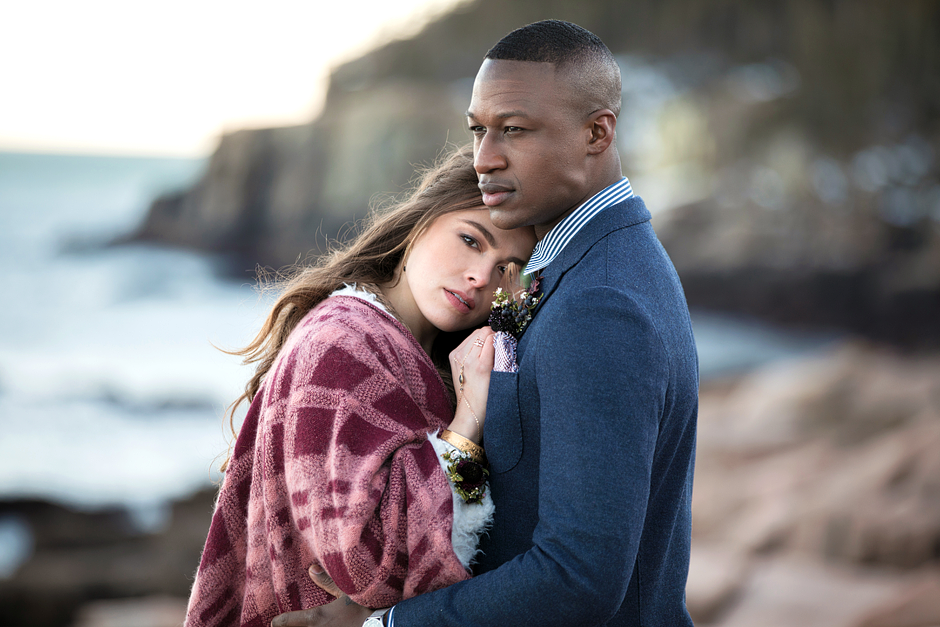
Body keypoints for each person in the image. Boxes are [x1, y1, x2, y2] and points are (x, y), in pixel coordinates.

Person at [275, 19, 698, 627]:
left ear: (597, 133)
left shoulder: (602, 303)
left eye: (514, 130)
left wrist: (389, 625)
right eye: (478, 130)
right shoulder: (571, 271)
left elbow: (578, 576)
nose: (484, 158)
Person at [183, 145, 537, 627]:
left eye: (506, 269)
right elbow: (366, 565)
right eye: (471, 241)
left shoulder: (420, 352)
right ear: (421, 220)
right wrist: (468, 421)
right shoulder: (342, 342)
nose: (480, 276)